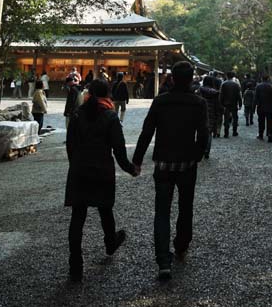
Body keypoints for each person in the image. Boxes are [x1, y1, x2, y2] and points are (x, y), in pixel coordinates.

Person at [132, 61, 208, 282]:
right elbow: (203, 134)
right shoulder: (198, 103)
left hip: (164, 163)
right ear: (192, 78)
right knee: (186, 206)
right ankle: (182, 244)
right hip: (186, 163)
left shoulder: (161, 101)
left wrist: (137, 160)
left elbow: (147, 131)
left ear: (172, 78)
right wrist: (197, 155)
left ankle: (163, 261)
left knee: (162, 211)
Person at [65, 79, 138, 282]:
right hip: (102, 170)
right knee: (105, 210)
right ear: (108, 95)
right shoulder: (110, 116)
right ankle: (110, 242)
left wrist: (76, 164)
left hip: (79, 170)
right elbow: (119, 149)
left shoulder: (77, 115)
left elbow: (70, 146)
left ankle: (75, 265)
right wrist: (130, 169)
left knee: (77, 217)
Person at [253, 75, 272, 143]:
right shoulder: (271, 86)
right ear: (268, 79)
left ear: (261, 78)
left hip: (260, 107)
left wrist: (253, 107)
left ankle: (261, 134)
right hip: (269, 107)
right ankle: (269, 134)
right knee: (269, 121)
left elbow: (255, 98)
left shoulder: (258, 86)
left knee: (261, 121)